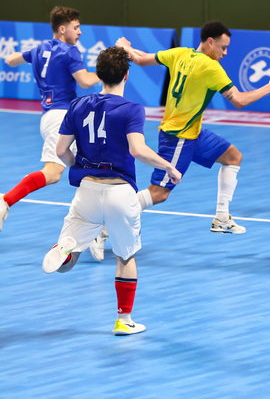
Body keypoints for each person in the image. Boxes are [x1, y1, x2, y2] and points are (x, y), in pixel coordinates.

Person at [41, 46, 182, 336]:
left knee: (67, 264)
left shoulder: (77, 105)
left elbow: (61, 151)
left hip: (87, 191)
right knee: (125, 258)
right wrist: (168, 166)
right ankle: (124, 320)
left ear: (99, 74)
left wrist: (77, 164)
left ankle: (66, 247)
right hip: (120, 194)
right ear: (126, 76)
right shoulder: (131, 110)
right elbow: (138, 150)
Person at [112, 20, 270, 236]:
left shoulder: (180, 53)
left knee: (233, 157)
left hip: (194, 133)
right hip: (178, 137)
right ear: (210, 42)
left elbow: (140, 58)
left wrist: (125, 46)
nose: (225, 52)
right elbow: (239, 100)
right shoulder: (211, 67)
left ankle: (222, 218)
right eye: (223, 47)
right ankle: (106, 224)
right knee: (159, 193)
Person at [0, 7, 102, 252]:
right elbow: (84, 81)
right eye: (76, 27)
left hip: (51, 116)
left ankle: (95, 229)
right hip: (63, 118)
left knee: (90, 167)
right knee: (53, 173)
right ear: (62, 29)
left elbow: (11, 60)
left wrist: (21, 60)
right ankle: (6, 200)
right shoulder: (70, 51)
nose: (80, 32)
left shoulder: (40, 49)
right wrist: (104, 73)